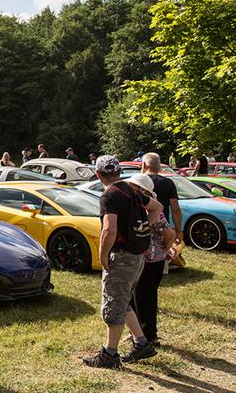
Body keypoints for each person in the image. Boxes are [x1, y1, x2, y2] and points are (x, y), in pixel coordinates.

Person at [82, 156, 163, 368]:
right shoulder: (131, 189)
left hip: (122, 256)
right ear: (119, 172)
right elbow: (157, 207)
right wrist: (144, 227)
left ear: (98, 174)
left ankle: (109, 354)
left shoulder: (109, 195)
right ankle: (142, 344)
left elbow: (109, 229)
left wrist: (102, 255)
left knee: (113, 304)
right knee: (123, 300)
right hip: (137, 256)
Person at [130, 165, 178, 346]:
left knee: (144, 298)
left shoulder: (150, 210)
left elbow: (170, 234)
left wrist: (163, 250)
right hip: (149, 260)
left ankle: (149, 337)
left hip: (150, 261)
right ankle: (139, 333)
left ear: (142, 191)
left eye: (133, 188)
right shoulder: (144, 207)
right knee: (139, 296)